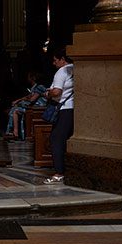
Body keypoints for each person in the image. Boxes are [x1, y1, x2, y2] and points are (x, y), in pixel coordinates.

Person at [45, 46, 74, 183]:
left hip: (64, 109)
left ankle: (59, 172)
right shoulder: (76, 68)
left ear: (62, 59)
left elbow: (56, 92)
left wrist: (47, 93)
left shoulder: (61, 72)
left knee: (56, 139)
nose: (53, 63)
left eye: (55, 60)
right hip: (75, 109)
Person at [4, 71, 47, 140]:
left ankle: (15, 132)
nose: (27, 79)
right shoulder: (34, 88)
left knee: (15, 110)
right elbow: (28, 96)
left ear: (33, 78)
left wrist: (21, 103)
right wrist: (18, 100)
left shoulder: (39, 87)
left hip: (38, 108)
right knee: (14, 108)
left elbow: (32, 99)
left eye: (28, 77)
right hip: (33, 106)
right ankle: (12, 132)